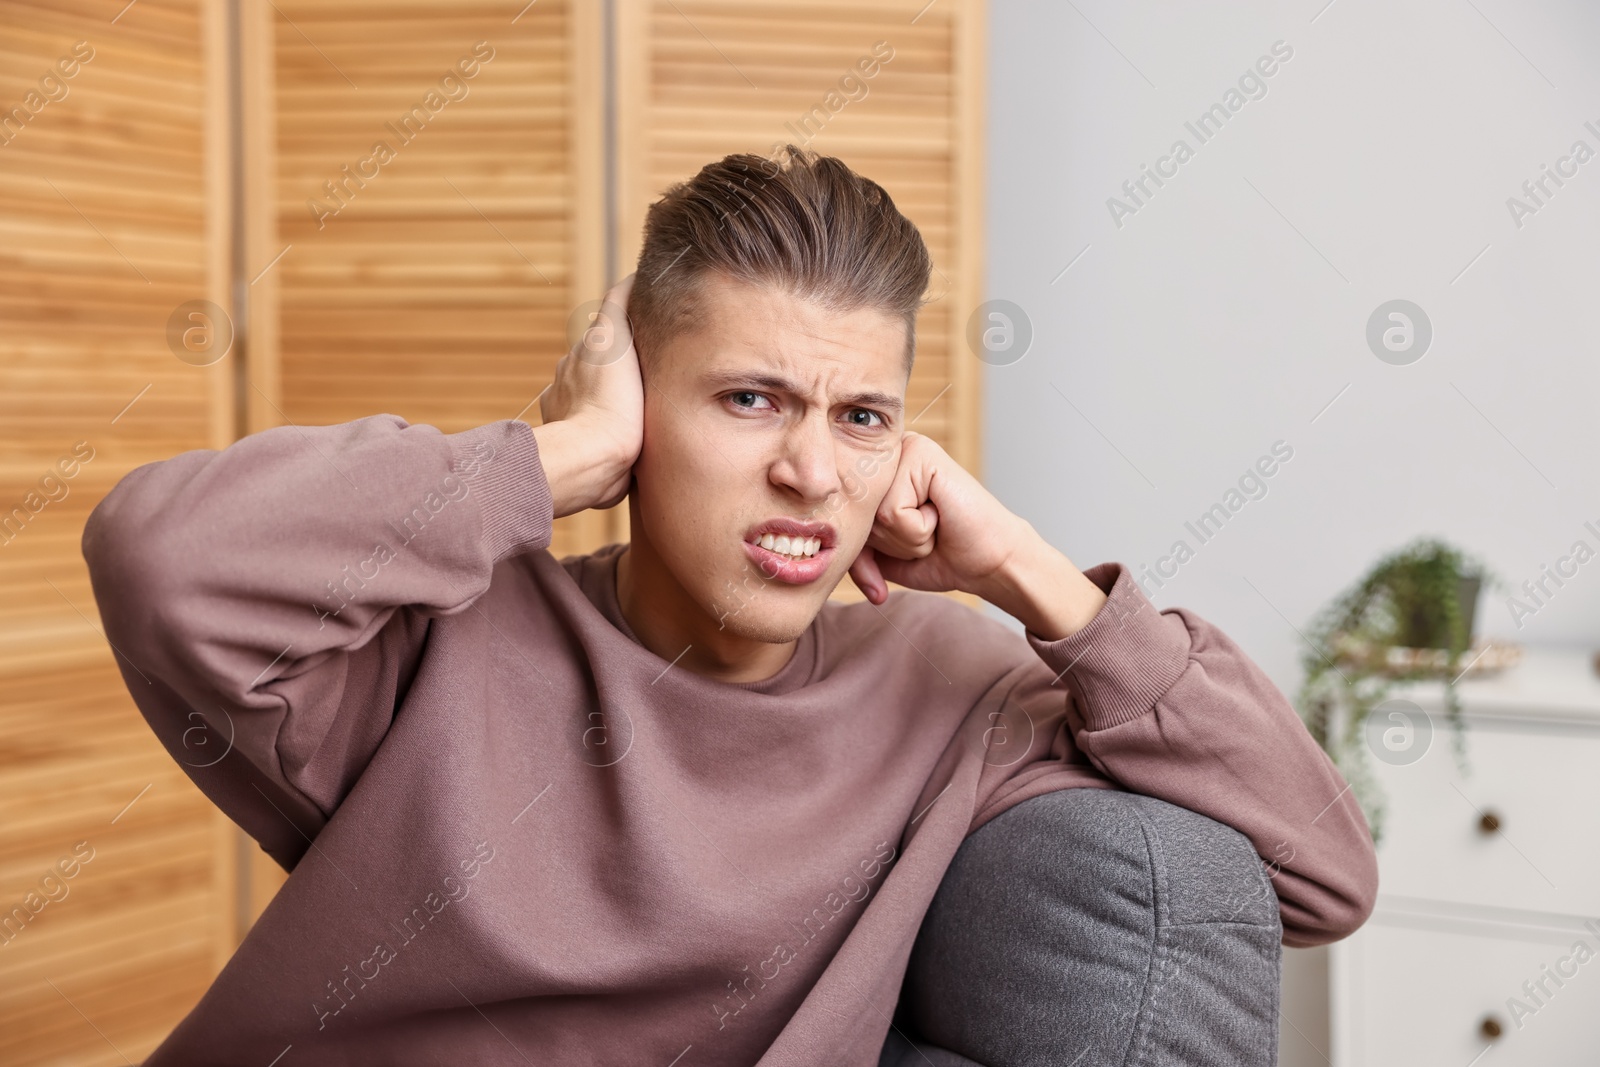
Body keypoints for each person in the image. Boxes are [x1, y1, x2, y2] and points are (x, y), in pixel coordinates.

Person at [84, 146, 1376, 1066]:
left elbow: (1324, 879)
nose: (813, 473)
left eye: (861, 417)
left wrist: (1032, 574)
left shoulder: (950, 687)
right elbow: (161, 562)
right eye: (749, 399)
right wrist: (560, 458)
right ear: (642, 401)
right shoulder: (439, 640)